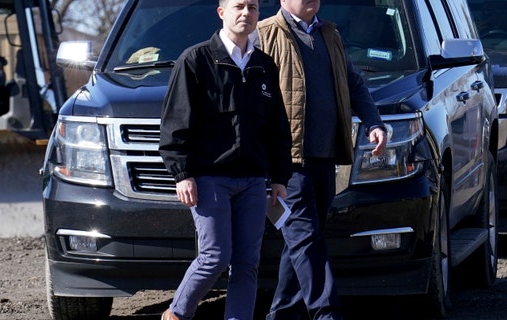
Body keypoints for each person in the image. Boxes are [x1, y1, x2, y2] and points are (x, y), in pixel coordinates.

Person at [158, 0, 292, 319]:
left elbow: (277, 129)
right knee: (215, 257)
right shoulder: (195, 60)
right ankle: (176, 314)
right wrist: (182, 174)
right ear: (222, 13)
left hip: (253, 182)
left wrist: (279, 178)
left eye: (253, 7)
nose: (246, 13)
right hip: (209, 178)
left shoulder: (264, 66)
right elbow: (176, 122)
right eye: (239, 6)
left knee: (247, 263)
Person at [255, 1, 387, 319]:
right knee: (304, 237)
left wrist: (374, 123)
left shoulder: (330, 33)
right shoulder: (265, 34)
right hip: (286, 163)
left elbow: (353, 83)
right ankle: (326, 312)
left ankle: (281, 314)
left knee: (301, 242)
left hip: (325, 157)